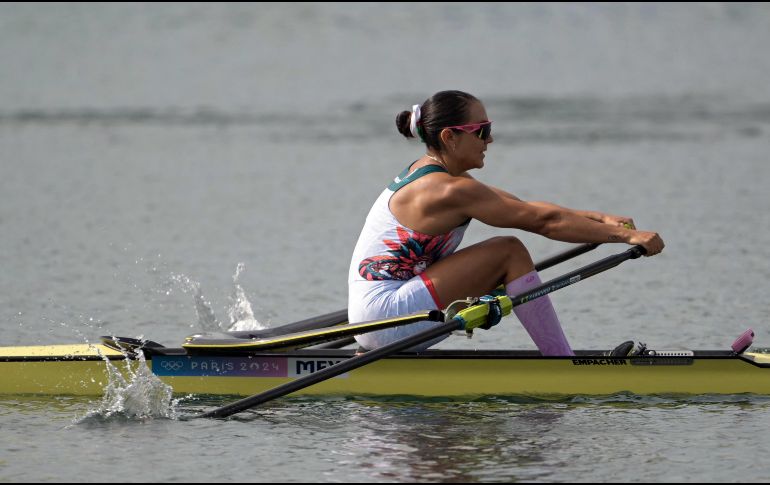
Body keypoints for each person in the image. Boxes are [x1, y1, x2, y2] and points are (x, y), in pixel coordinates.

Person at [347, 90, 664, 355]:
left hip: (380, 317)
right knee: (508, 252)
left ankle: (558, 358)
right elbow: (545, 224)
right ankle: (561, 362)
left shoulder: (441, 178)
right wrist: (625, 238)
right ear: (450, 137)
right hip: (384, 317)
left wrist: (601, 219)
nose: (491, 139)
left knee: (505, 255)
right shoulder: (445, 190)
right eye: (481, 130)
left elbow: (522, 208)